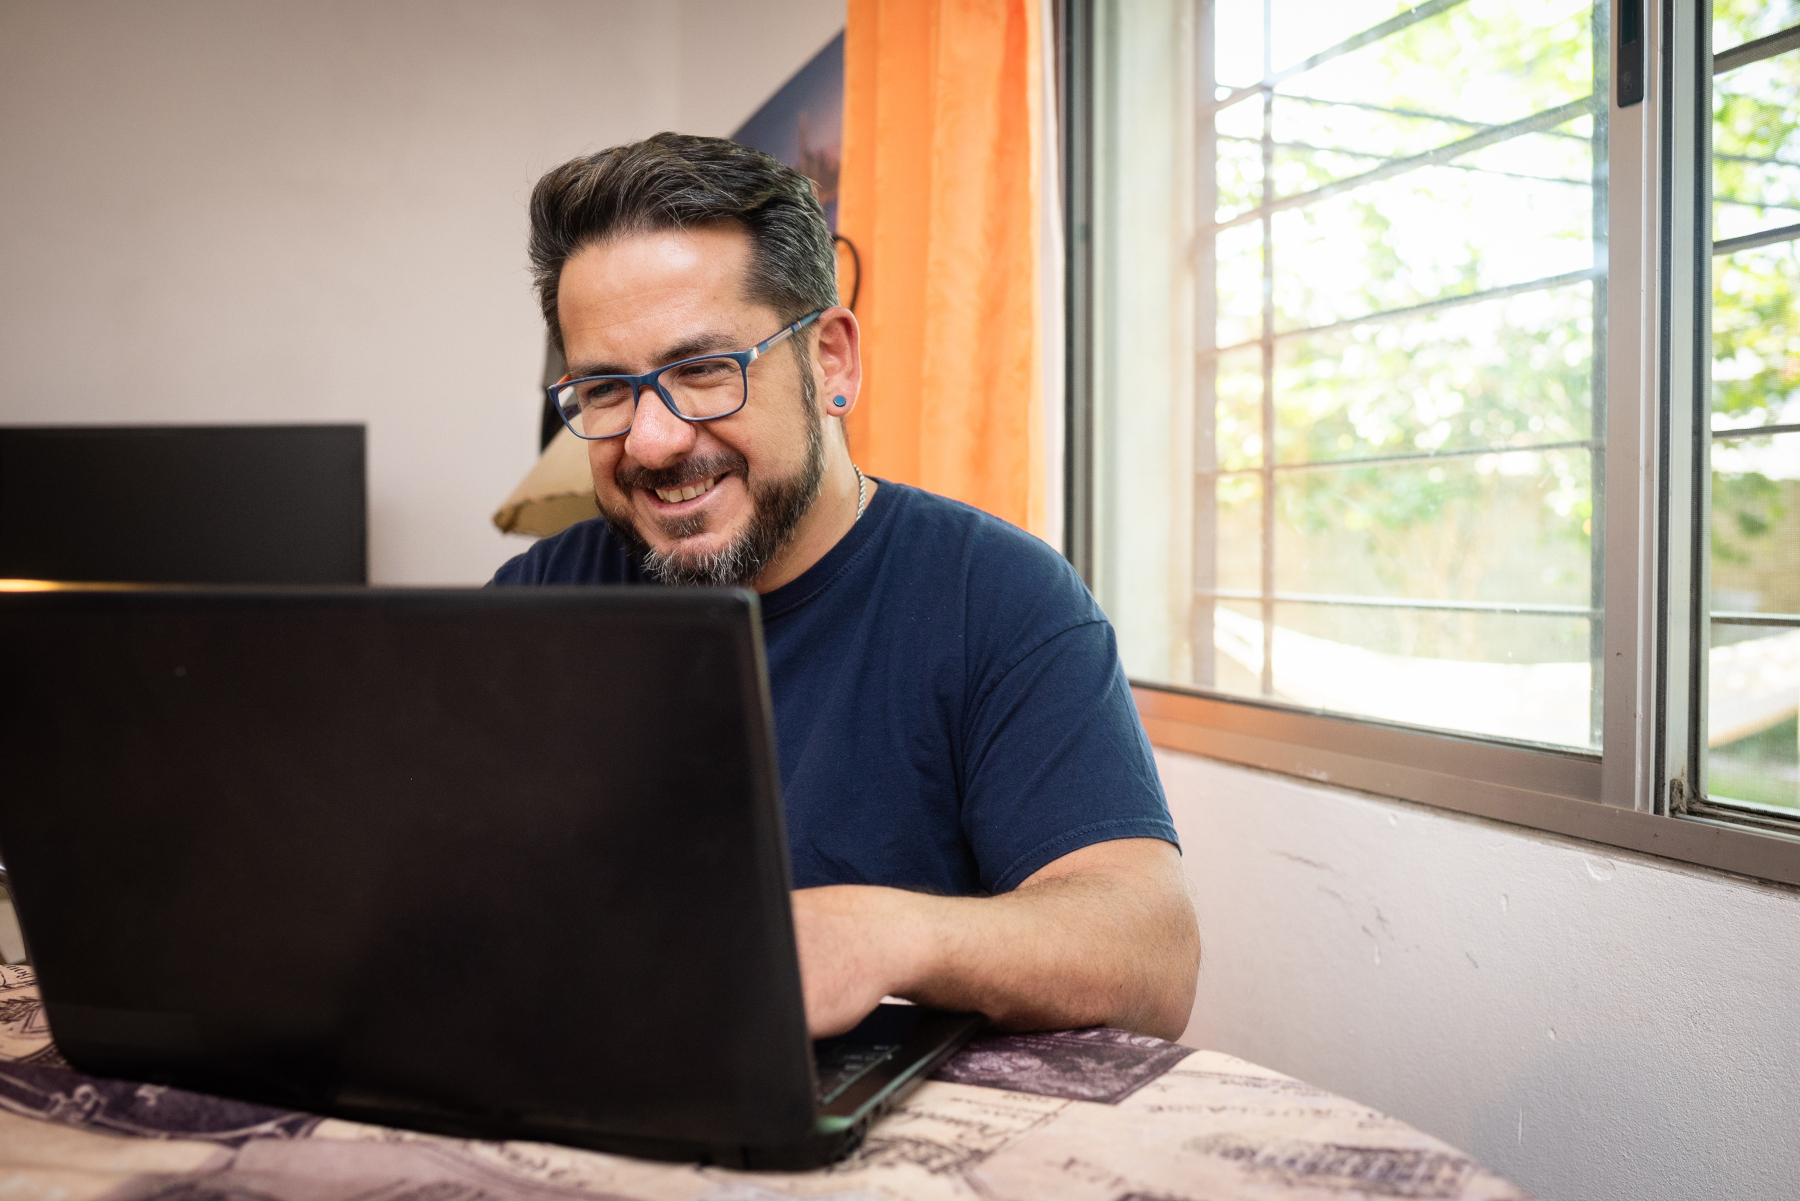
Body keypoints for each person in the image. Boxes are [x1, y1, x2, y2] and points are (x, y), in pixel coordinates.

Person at [493, 133, 1199, 1040]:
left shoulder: (999, 596)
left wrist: (887, 933)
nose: (653, 442)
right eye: (606, 389)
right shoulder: (537, 600)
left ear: (830, 360)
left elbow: (1153, 955)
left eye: (704, 370)